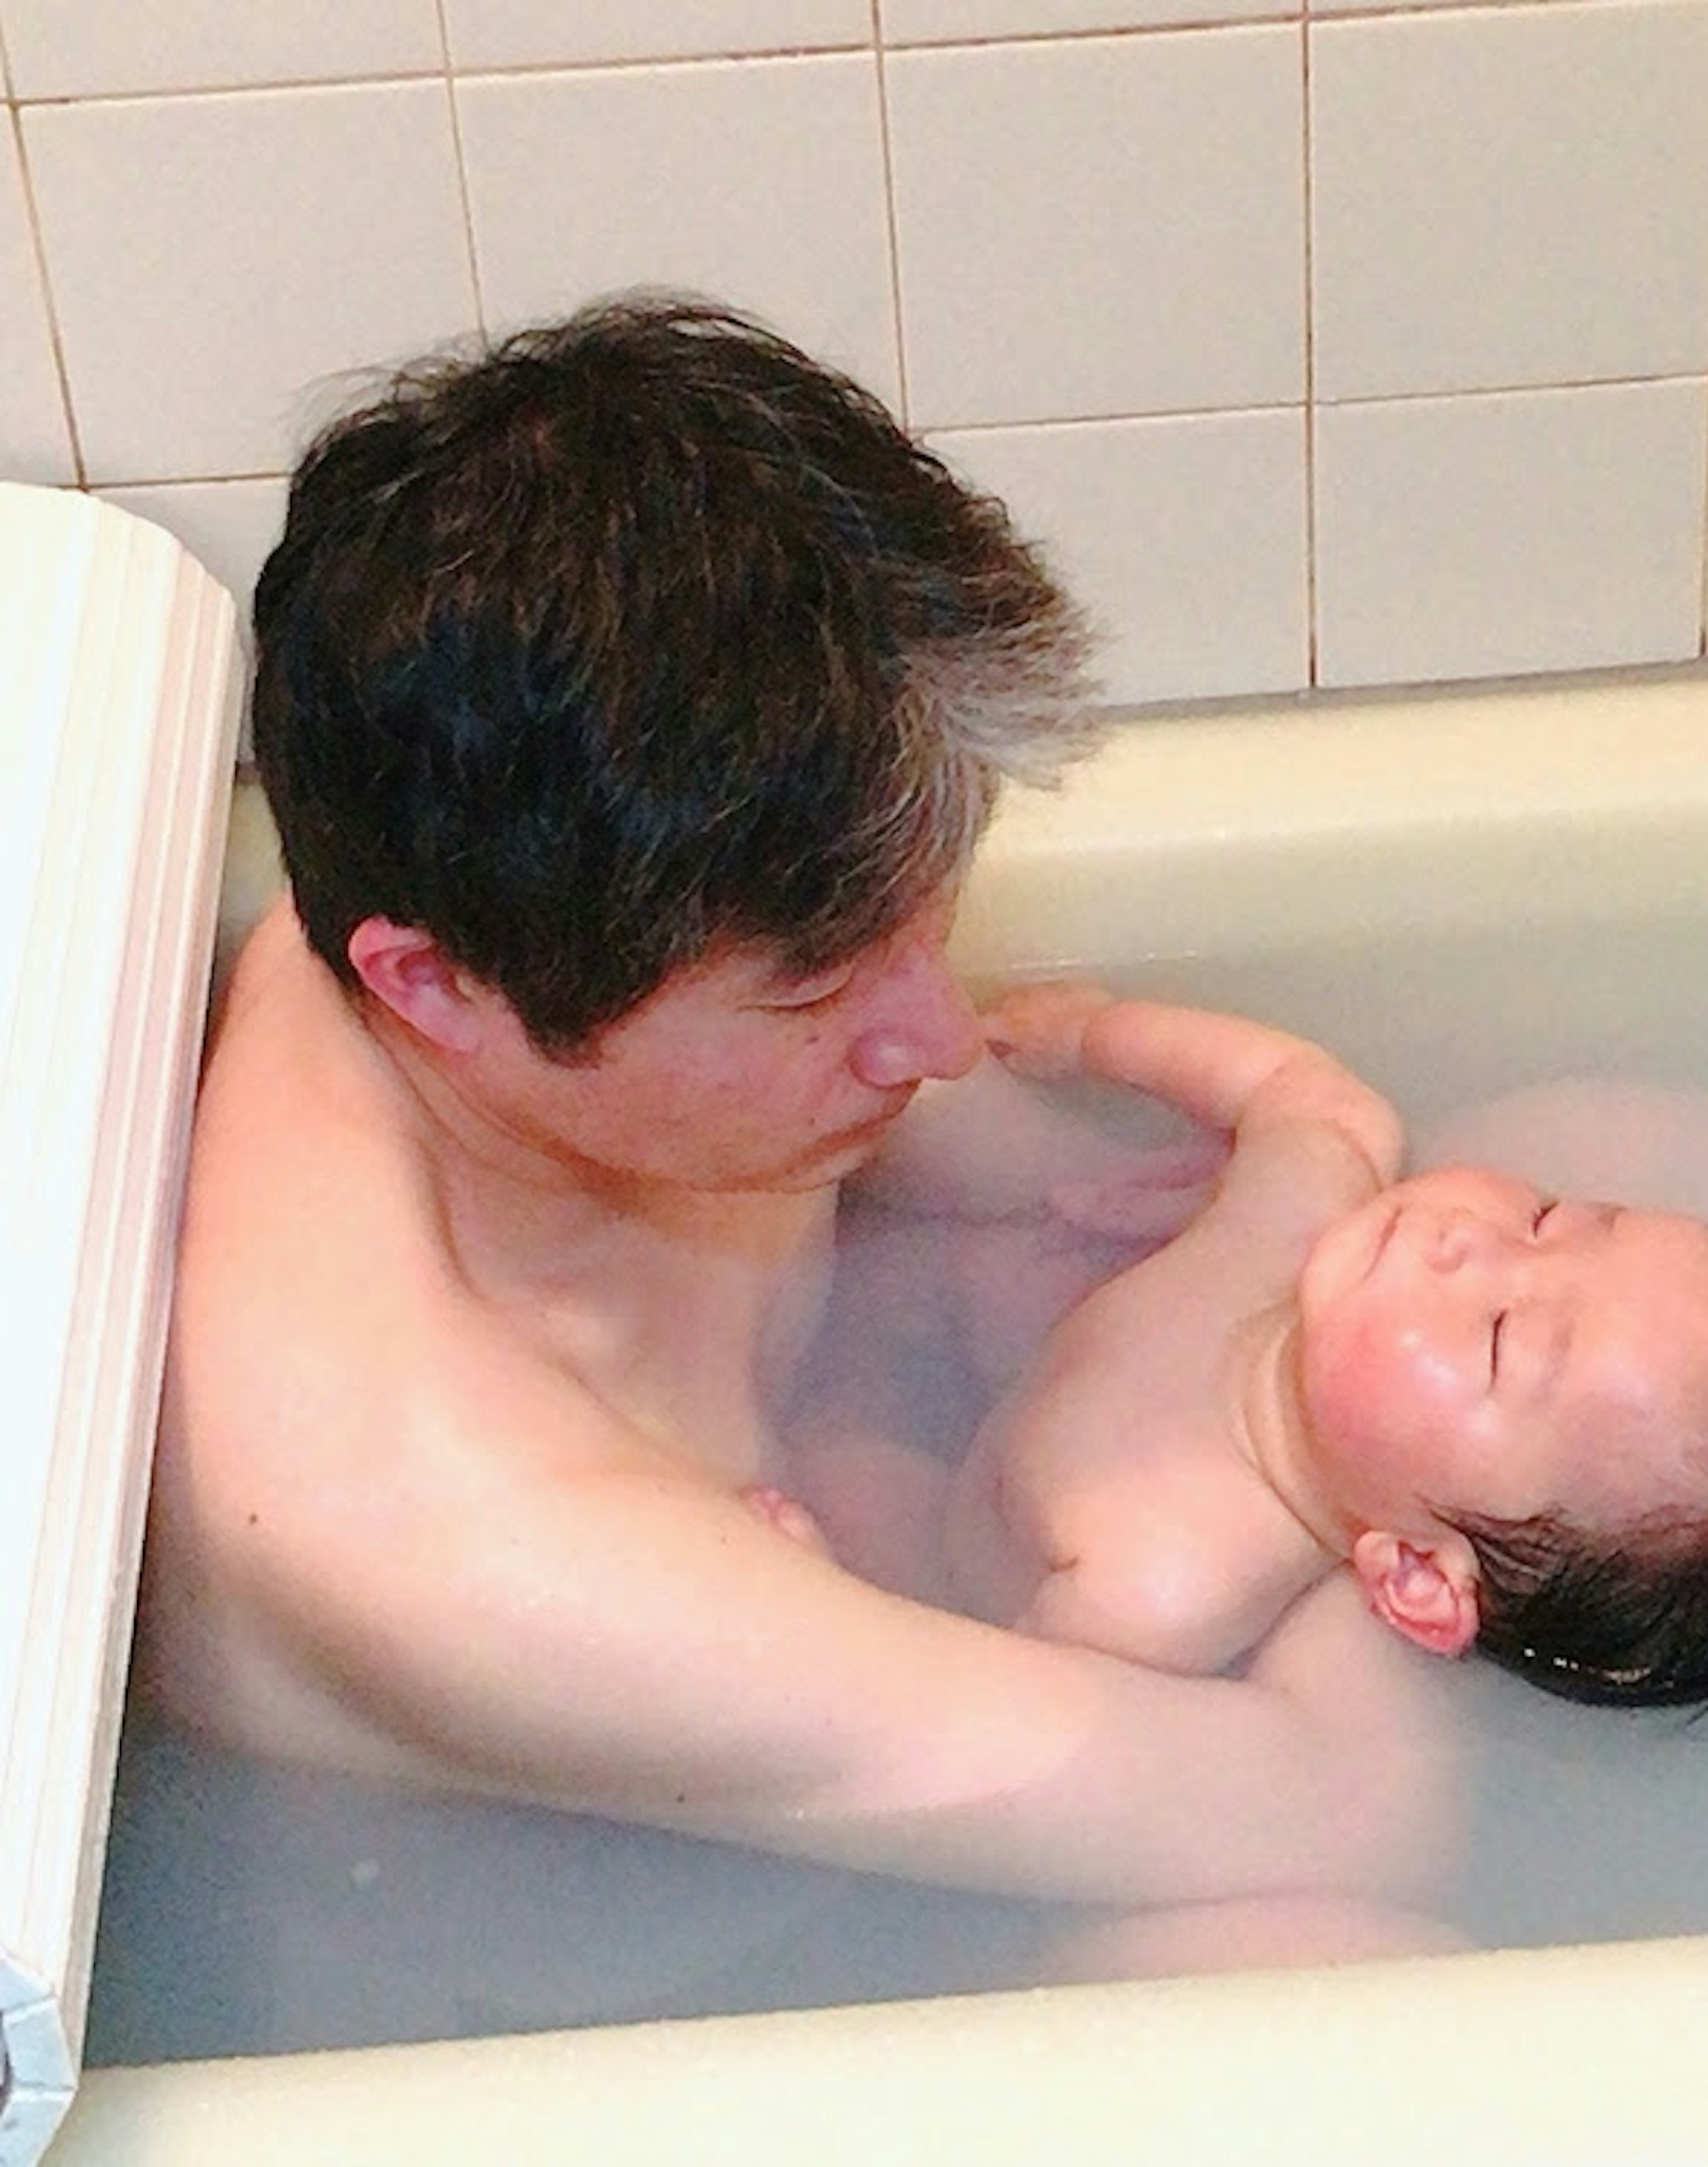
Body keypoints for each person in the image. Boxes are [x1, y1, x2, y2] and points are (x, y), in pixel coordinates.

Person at [142, 295, 1457, 1923]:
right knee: (1305, 1964)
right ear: (436, 991)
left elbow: (1028, 1183)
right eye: (826, 991)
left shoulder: (522, 864)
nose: (943, 1041)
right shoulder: (466, 1531)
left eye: (933, 917)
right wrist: (1424, 1507)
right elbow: (1317, 1813)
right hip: (643, 1995)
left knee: (1654, 1157)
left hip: (891, 1537)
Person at [787, 983, 1708, 1707]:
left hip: (944, 1503)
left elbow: (975, 1689)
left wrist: (818, 1583)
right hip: (1030, 1331)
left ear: (1413, 1574)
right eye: (1552, 1214)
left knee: (841, 1475)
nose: (1473, 1244)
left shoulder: (1163, 1584)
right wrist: (1090, 1034)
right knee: (946, 1131)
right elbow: (1297, 1088)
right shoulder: (1315, 1200)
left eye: (1504, 1338)